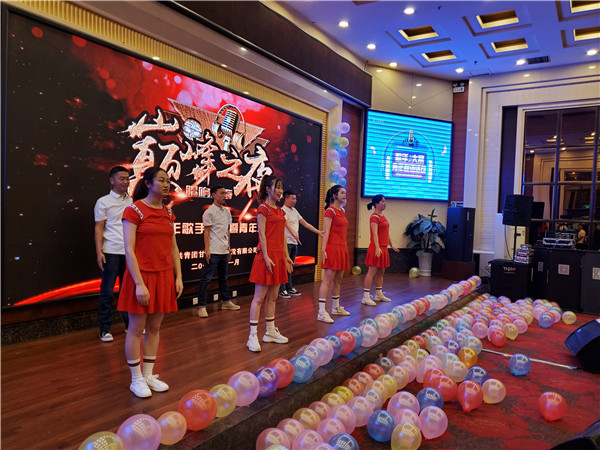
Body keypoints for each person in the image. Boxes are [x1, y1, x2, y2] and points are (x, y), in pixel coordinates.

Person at [118, 167, 183, 398]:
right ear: (148, 183)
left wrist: (178, 276)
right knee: (136, 329)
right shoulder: (134, 210)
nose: (166, 185)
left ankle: (148, 375)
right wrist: (138, 283)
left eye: (168, 181)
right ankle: (135, 378)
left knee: (155, 328)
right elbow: (129, 250)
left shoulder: (168, 212)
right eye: (161, 180)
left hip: (163, 276)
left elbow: (173, 247)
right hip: (141, 276)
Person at [247, 175, 293, 352]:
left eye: (281, 187)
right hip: (266, 256)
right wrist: (266, 256)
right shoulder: (263, 208)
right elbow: (262, 234)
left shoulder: (280, 210)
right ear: (267, 189)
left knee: (273, 297)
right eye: (277, 187)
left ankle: (270, 332)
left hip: (278, 256)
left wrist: (286, 256)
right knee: (259, 298)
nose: (280, 191)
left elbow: (282, 235)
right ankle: (252, 336)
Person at [94, 166, 132, 342]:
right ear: (112, 180)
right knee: (107, 292)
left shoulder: (132, 201)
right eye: (121, 178)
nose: (125, 182)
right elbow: (98, 228)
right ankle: (105, 329)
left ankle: (130, 325)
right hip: (110, 251)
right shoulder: (103, 201)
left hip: (129, 252)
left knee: (128, 291)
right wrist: (99, 251)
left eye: (127, 178)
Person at [196, 185, 240, 318]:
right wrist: (207, 249)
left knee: (223, 277)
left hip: (224, 250)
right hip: (213, 250)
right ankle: (201, 307)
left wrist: (229, 248)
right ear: (214, 195)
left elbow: (228, 231)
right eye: (221, 193)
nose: (224, 196)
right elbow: (206, 232)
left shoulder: (227, 212)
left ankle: (226, 301)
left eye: (225, 193)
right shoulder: (209, 212)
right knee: (206, 279)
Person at [279, 189, 324, 298]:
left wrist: (318, 232)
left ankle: (289, 287)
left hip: (294, 243)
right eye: (293, 198)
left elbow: (305, 224)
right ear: (286, 199)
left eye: (295, 199)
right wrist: (294, 235)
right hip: (286, 242)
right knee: (284, 266)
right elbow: (287, 225)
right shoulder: (282, 211)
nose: (295, 201)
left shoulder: (294, 211)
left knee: (291, 266)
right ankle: (282, 289)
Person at [317, 185, 351, 323]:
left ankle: (335, 307)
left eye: (345, 193)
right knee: (327, 280)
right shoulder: (330, 211)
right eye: (342, 193)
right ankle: (321, 312)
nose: (344, 195)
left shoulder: (342, 211)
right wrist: (323, 249)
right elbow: (326, 232)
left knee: (338, 279)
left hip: (342, 248)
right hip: (332, 248)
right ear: (334, 195)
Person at [361, 195, 399, 306]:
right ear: (376, 203)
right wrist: (377, 248)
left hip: (383, 247)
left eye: (385, 201)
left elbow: (386, 233)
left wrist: (391, 244)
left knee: (381, 272)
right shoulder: (374, 217)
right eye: (382, 201)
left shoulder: (383, 217)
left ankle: (379, 294)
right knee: (372, 271)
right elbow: (374, 233)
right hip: (376, 247)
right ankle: (365, 297)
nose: (385, 203)